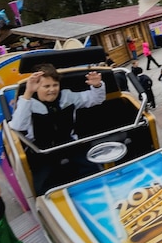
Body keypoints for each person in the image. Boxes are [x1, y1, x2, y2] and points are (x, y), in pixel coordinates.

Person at [8, 64, 106, 195]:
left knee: (95, 175)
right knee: (45, 190)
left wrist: (97, 86)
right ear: (37, 87)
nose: (52, 90)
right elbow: (18, 126)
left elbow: (95, 99)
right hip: (42, 153)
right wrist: (28, 93)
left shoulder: (67, 97)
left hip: (70, 145)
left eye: (55, 85)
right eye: (46, 86)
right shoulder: (28, 103)